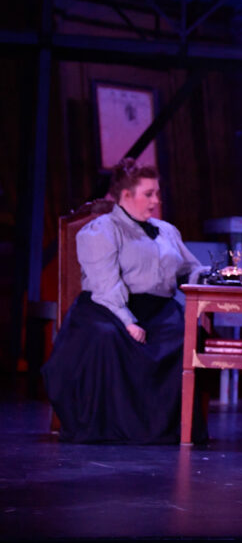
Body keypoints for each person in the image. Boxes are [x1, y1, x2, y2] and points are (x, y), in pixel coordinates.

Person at [42, 158, 205, 443]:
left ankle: (171, 429)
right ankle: (111, 430)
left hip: (160, 310)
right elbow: (105, 283)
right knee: (107, 339)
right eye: (148, 194)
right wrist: (128, 321)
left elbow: (188, 269)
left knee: (186, 336)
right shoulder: (101, 230)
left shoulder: (166, 231)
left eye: (157, 193)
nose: (156, 200)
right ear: (126, 195)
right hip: (108, 308)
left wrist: (216, 275)